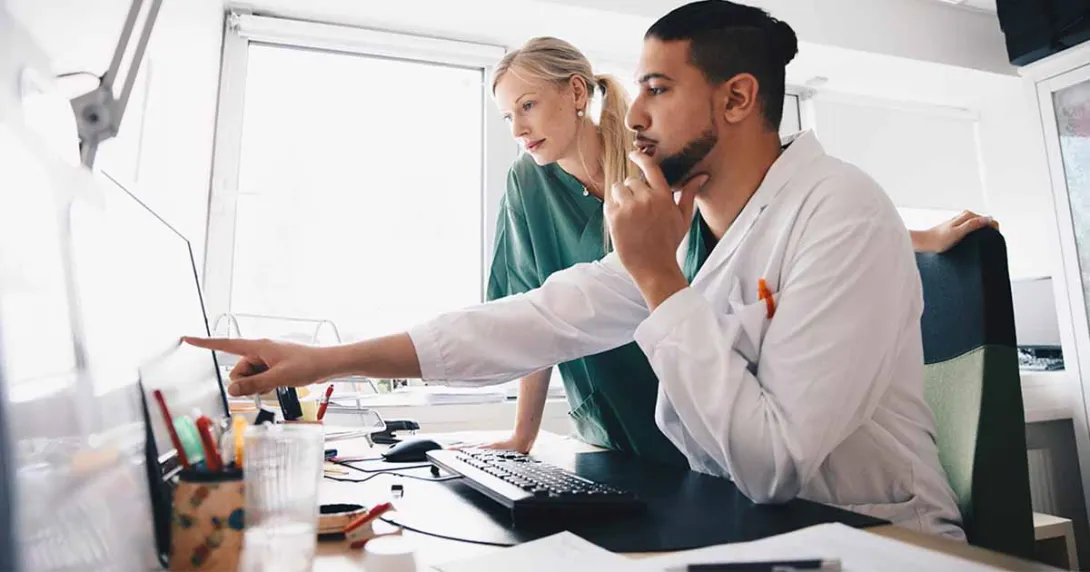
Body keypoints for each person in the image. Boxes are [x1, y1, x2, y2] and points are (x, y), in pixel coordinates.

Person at [188, 1, 972, 538]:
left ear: (737, 99)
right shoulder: (697, 221)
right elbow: (534, 319)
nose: (632, 113)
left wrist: (659, 278)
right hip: (757, 527)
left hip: (876, 538)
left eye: (659, 90)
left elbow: (772, 463)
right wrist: (329, 360)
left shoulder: (841, 212)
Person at [478, 37, 997, 459]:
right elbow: (533, 313)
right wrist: (523, 437)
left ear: (574, 93)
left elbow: (767, 221)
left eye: (527, 106)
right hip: (605, 409)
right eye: (507, 117)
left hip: (686, 376)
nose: (518, 128)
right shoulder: (526, 184)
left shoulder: (649, 159)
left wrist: (921, 240)